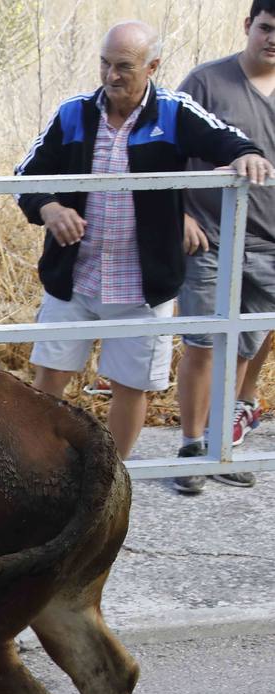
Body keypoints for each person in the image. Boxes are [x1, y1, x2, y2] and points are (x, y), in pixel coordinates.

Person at [14, 20, 271, 460]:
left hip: (142, 282)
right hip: (74, 276)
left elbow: (229, 141)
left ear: (152, 66)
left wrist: (247, 155)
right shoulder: (73, 112)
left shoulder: (175, 111)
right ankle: (40, 472)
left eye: (125, 67)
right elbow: (24, 175)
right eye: (105, 64)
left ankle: (111, 480)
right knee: (50, 379)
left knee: (130, 386)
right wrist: (49, 208)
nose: (112, 76)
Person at [172, 0, 275, 494]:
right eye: (267, 28)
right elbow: (163, 151)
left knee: (242, 346)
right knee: (204, 343)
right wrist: (181, 214)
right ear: (248, 26)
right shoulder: (206, 83)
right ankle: (190, 449)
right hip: (210, 235)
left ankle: (219, 447)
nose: (272, 40)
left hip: (270, 244)